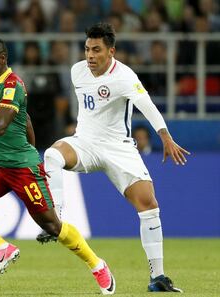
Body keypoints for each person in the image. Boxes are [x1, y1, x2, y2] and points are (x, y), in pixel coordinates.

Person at [0, 37, 116, 295]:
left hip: (22, 170)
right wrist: (28, 145)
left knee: (52, 226)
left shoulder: (12, 84)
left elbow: (1, 125)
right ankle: (1, 248)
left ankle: (97, 265)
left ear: (1, 59)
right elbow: (24, 118)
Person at [37, 23, 189, 293]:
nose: (90, 56)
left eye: (96, 50)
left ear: (111, 52)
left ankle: (158, 277)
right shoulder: (77, 71)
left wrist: (165, 137)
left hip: (119, 148)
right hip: (85, 142)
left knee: (149, 204)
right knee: (51, 155)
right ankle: (55, 220)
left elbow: (148, 106)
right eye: (87, 49)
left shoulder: (125, 77)